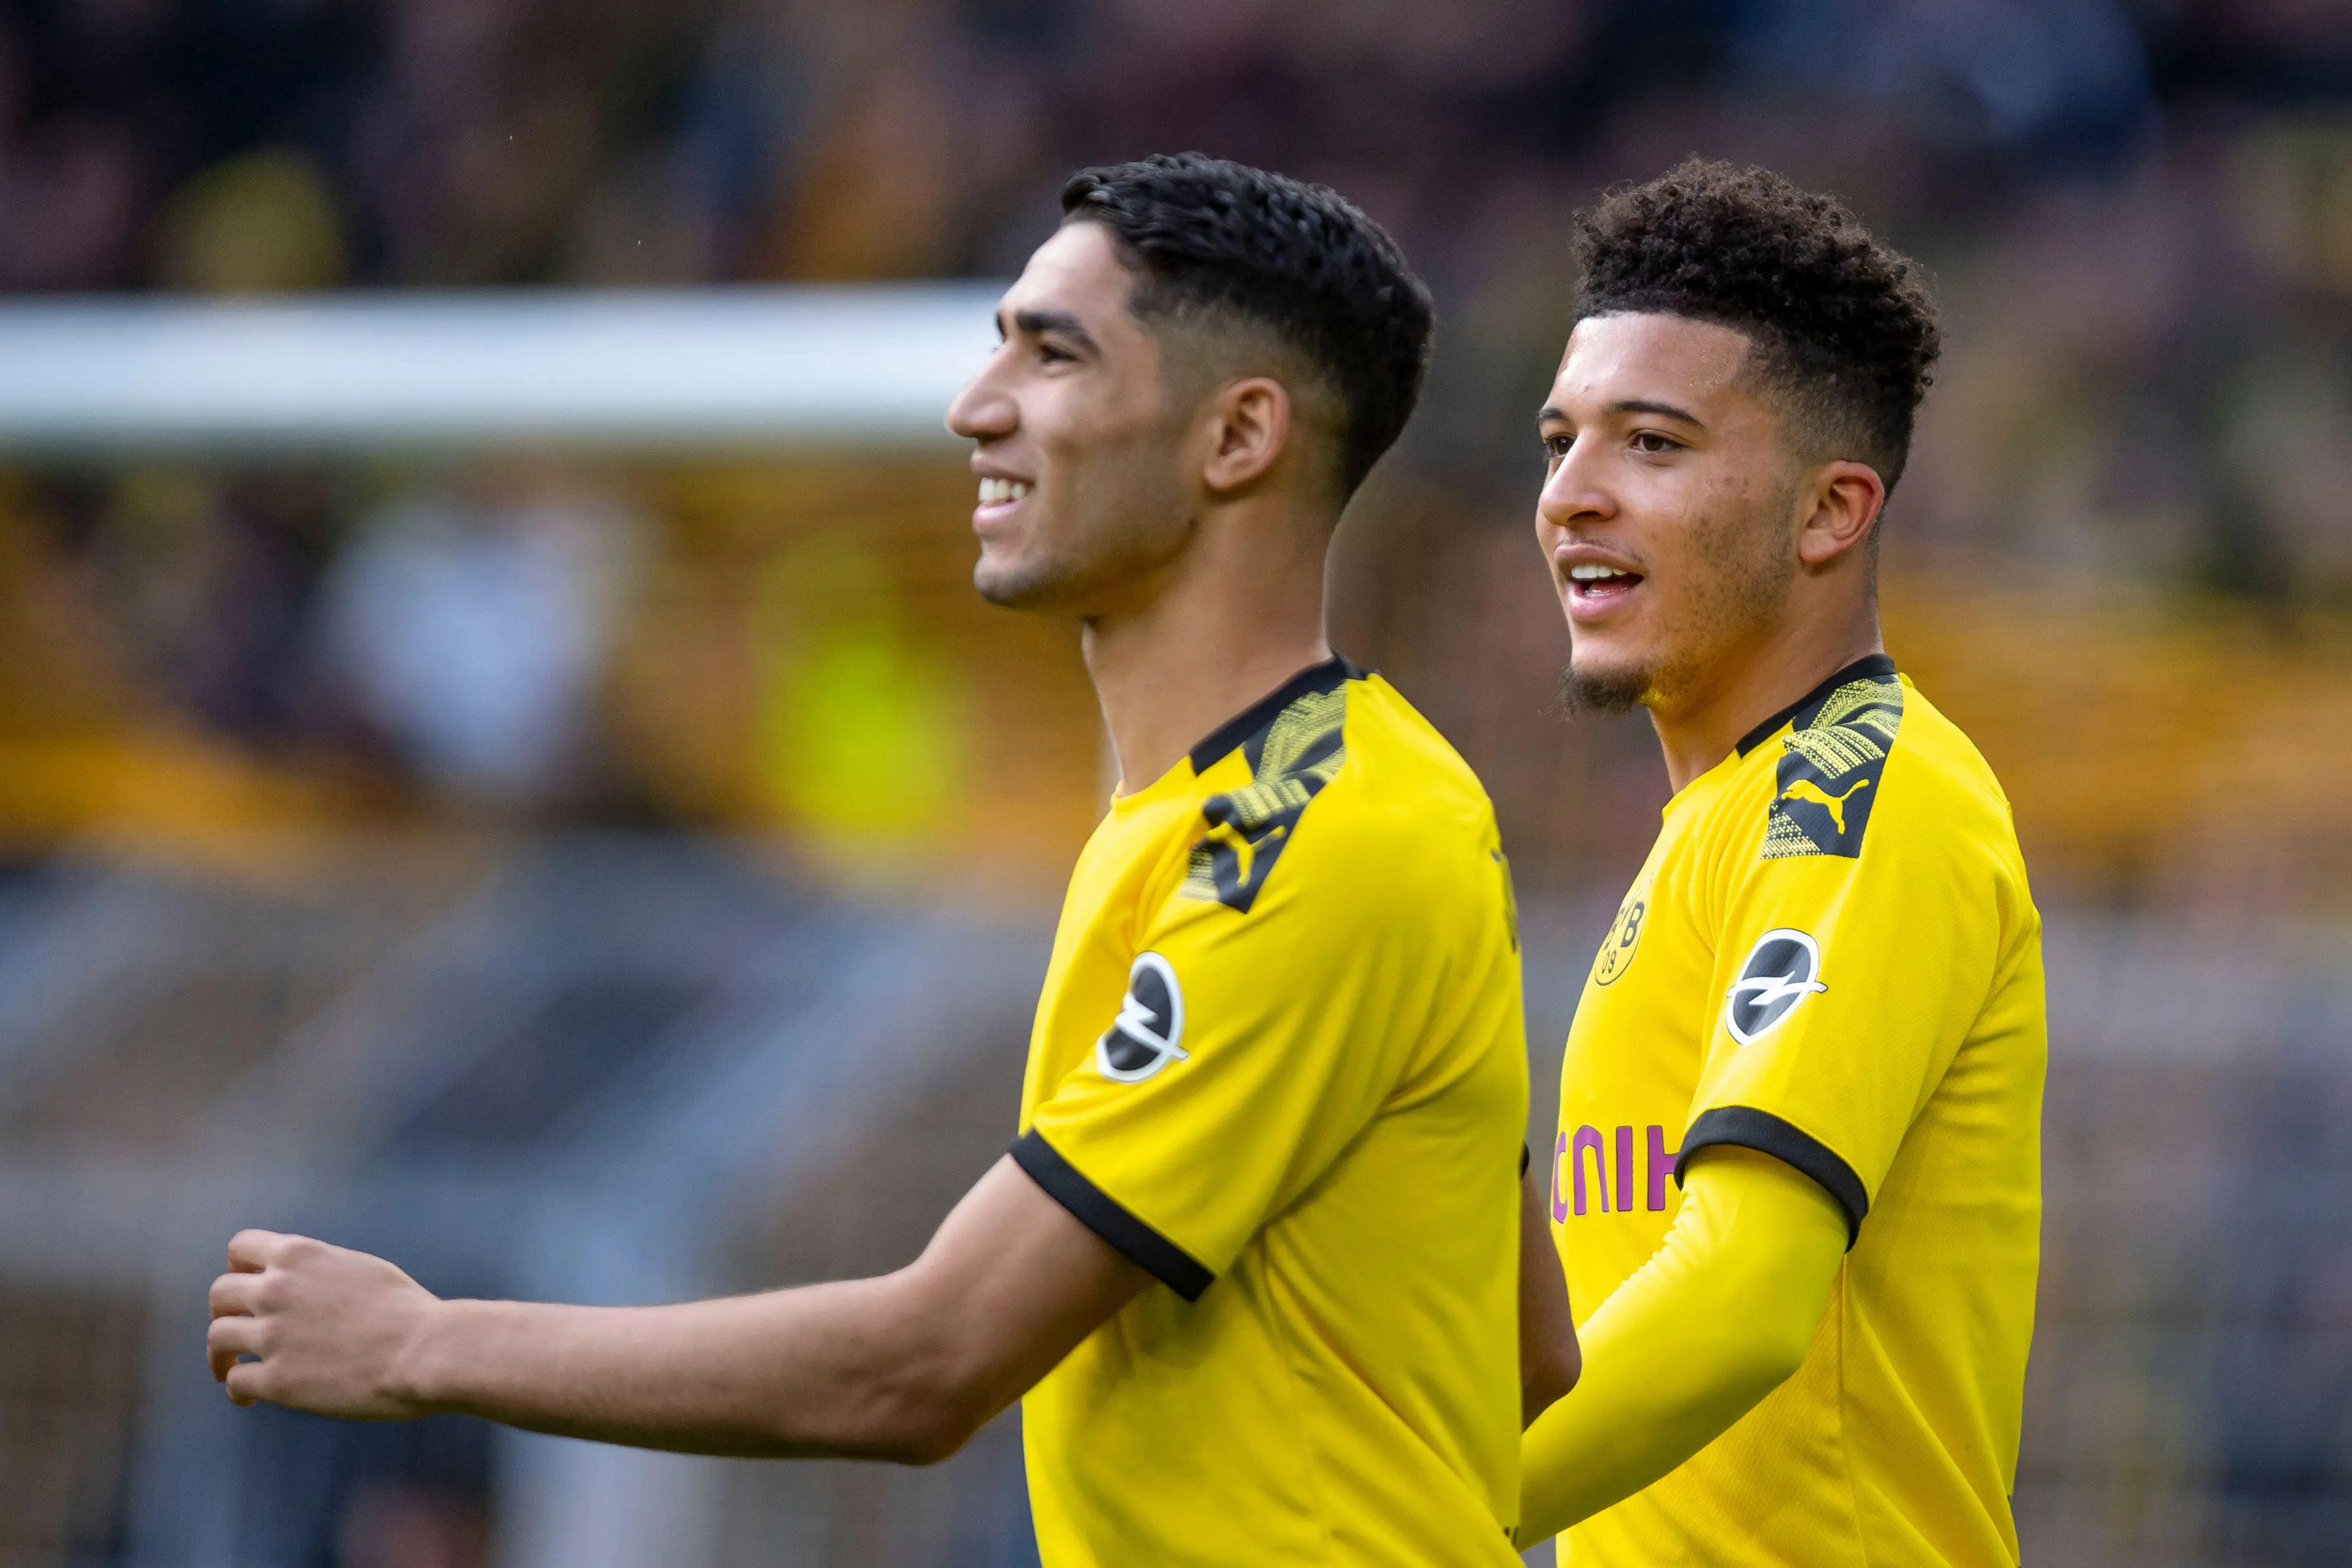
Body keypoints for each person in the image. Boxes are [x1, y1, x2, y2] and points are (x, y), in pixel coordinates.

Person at [206, 152, 1578, 1566]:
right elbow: (1524, 1347)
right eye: (997, 349)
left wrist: (423, 1342)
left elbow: (922, 1365)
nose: (974, 408)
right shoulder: (1269, 802)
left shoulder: (1308, 839)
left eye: (1052, 356)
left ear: (1235, 438)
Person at [1516, 160, 2045, 1565]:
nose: (1570, 495)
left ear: (1829, 513)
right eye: (1559, 440)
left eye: (1652, 444)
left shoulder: (1864, 795)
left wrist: (1415, 1512)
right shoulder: (1728, 813)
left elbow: (1744, 1291)